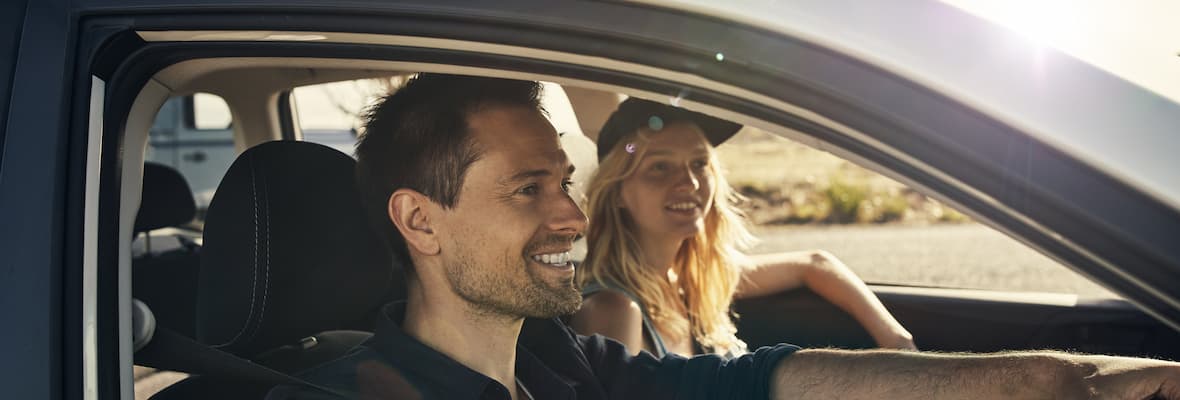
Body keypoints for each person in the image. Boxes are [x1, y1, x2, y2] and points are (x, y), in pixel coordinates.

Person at [268, 73, 1180, 400]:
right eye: (529, 189)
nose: (571, 215)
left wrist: (1077, 385)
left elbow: (765, 380)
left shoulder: (574, 372)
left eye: (565, 183)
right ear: (419, 220)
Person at [570, 98, 914, 358]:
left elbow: (815, 264)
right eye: (660, 167)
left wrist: (900, 346)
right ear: (616, 193)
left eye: (699, 163)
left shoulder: (694, 278)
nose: (688, 182)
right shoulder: (614, 311)